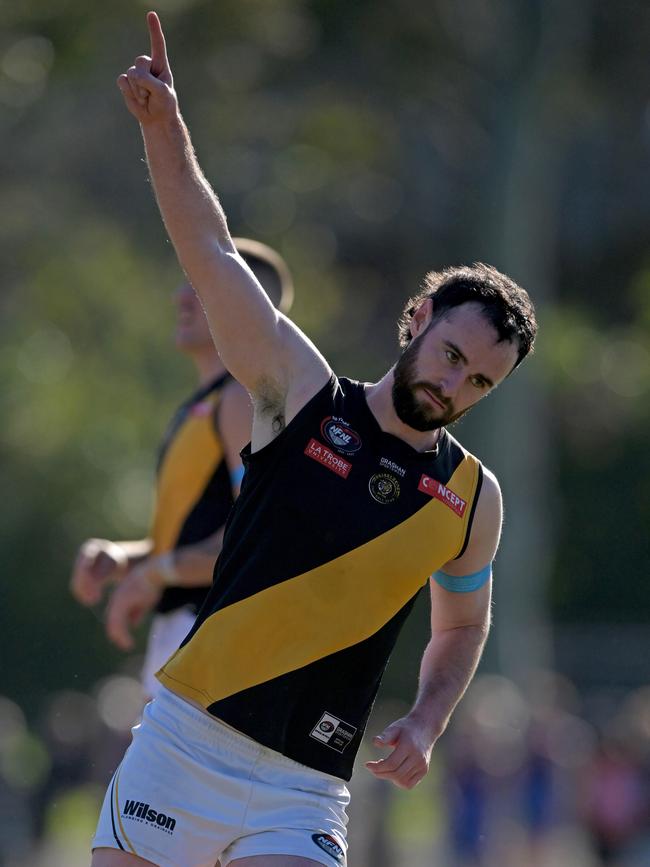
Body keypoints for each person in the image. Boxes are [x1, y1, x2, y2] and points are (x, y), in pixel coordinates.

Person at [91, 12, 538, 867]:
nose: (453, 385)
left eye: (479, 380)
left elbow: (463, 626)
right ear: (417, 320)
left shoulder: (471, 500)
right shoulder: (299, 395)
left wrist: (428, 719)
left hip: (304, 790)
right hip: (183, 745)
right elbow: (214, 253)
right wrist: (165, 130)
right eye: (449, 355)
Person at [70, 239, 293, 700]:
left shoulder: (239, 401)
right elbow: (207, 533)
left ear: (241, 304)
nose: (180, 297)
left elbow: (254, 539)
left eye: (198, 285)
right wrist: (126, 558)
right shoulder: (209, 403)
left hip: (211, 639)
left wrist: (151, 575)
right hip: (185, 637)